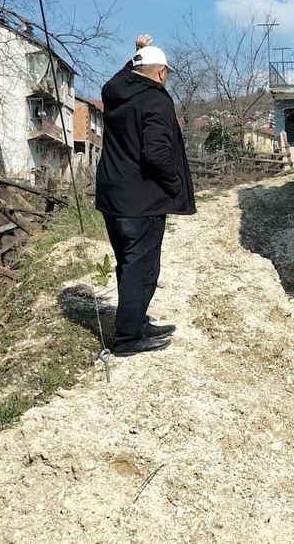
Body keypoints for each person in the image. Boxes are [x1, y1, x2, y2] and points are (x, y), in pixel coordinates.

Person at [96, 35, 196, 357]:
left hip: (113, 198)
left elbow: (122, 77)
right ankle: (128, 339)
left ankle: (136, 322)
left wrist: (137, 56)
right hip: (142, 201)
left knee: (128, 263)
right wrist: (175, 187)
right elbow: (156, 155)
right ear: (162, 73)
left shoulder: (114, 94)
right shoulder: (157, 100)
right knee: (142, 268)